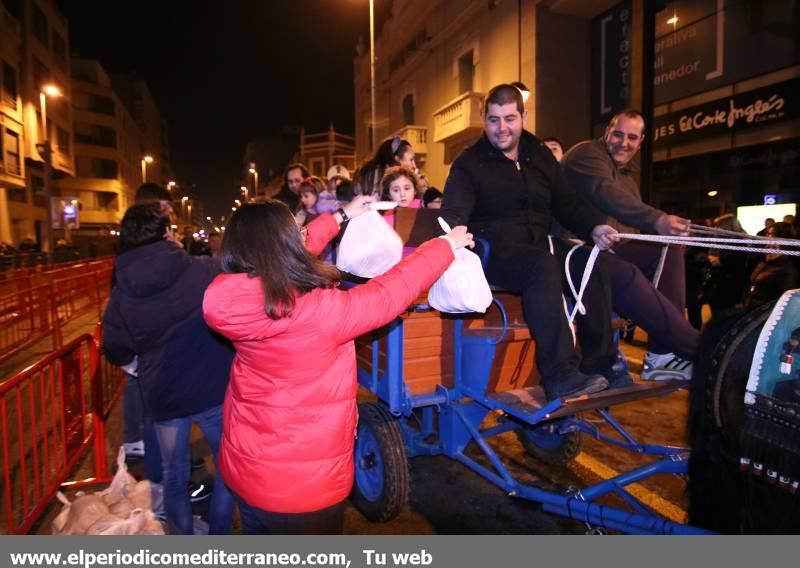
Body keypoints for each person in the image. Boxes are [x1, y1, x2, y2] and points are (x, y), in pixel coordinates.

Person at [202, 197, 473, 534]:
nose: (305, 235)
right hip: (306, 490)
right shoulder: (319, 312)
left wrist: (342, 215)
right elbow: (388, 294)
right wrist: (445, 245)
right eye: (298, 231)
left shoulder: (230, 298)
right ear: (285, 244)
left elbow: (287, 255)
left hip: (249, 469)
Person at [440, 83, 621, 401]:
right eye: (493, 119)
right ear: (484, 119)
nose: (502, 128)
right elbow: (454, 210)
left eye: (509, 118)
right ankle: (559, 373)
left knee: (587, 260)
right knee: (541, 266)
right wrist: (455, 230)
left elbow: (566, 201)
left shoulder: (538, 154)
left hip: (538, 244)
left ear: (523, 116)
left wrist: (594, 227)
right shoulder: (469, 164)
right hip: (491, 251)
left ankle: (600, 366)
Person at [102, 203, 235, 534]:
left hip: (163, 393)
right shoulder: (204, 269)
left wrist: (134, 365)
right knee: (228, 469)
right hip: (212, 386)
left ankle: (182, 540)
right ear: (166, 233)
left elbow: (115, 347)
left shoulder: (121, 292)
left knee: (174, 475)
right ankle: (219, 536)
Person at [562, 109, 699, 381]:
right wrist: (657, 220)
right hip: (575, 252)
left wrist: (667, 231)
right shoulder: (586, 154)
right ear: (607, 132)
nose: (624, 143)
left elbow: (630, 219)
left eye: (632, 137)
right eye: (618, 134)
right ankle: (701, 348)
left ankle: (662, 355)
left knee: (668, 253)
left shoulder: (626, 178)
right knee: (625, 273)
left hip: (607, 251)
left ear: (641, 141)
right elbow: (605, 193)